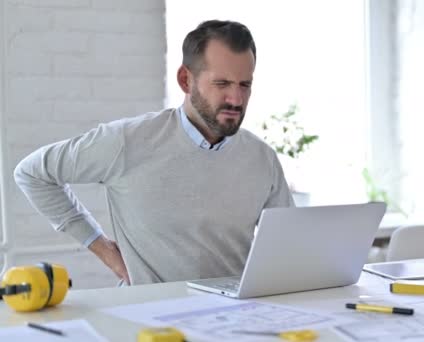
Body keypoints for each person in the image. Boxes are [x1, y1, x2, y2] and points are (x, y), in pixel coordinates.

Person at [13, 20, 294, 285]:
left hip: (232, 318)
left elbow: (289, 243)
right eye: (221, 84)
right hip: (148, 315)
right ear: (186, 80)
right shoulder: (126, 140)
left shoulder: (262, 158)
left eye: (245, 85)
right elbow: (32, 173)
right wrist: (105, 251)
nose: (236, 99)